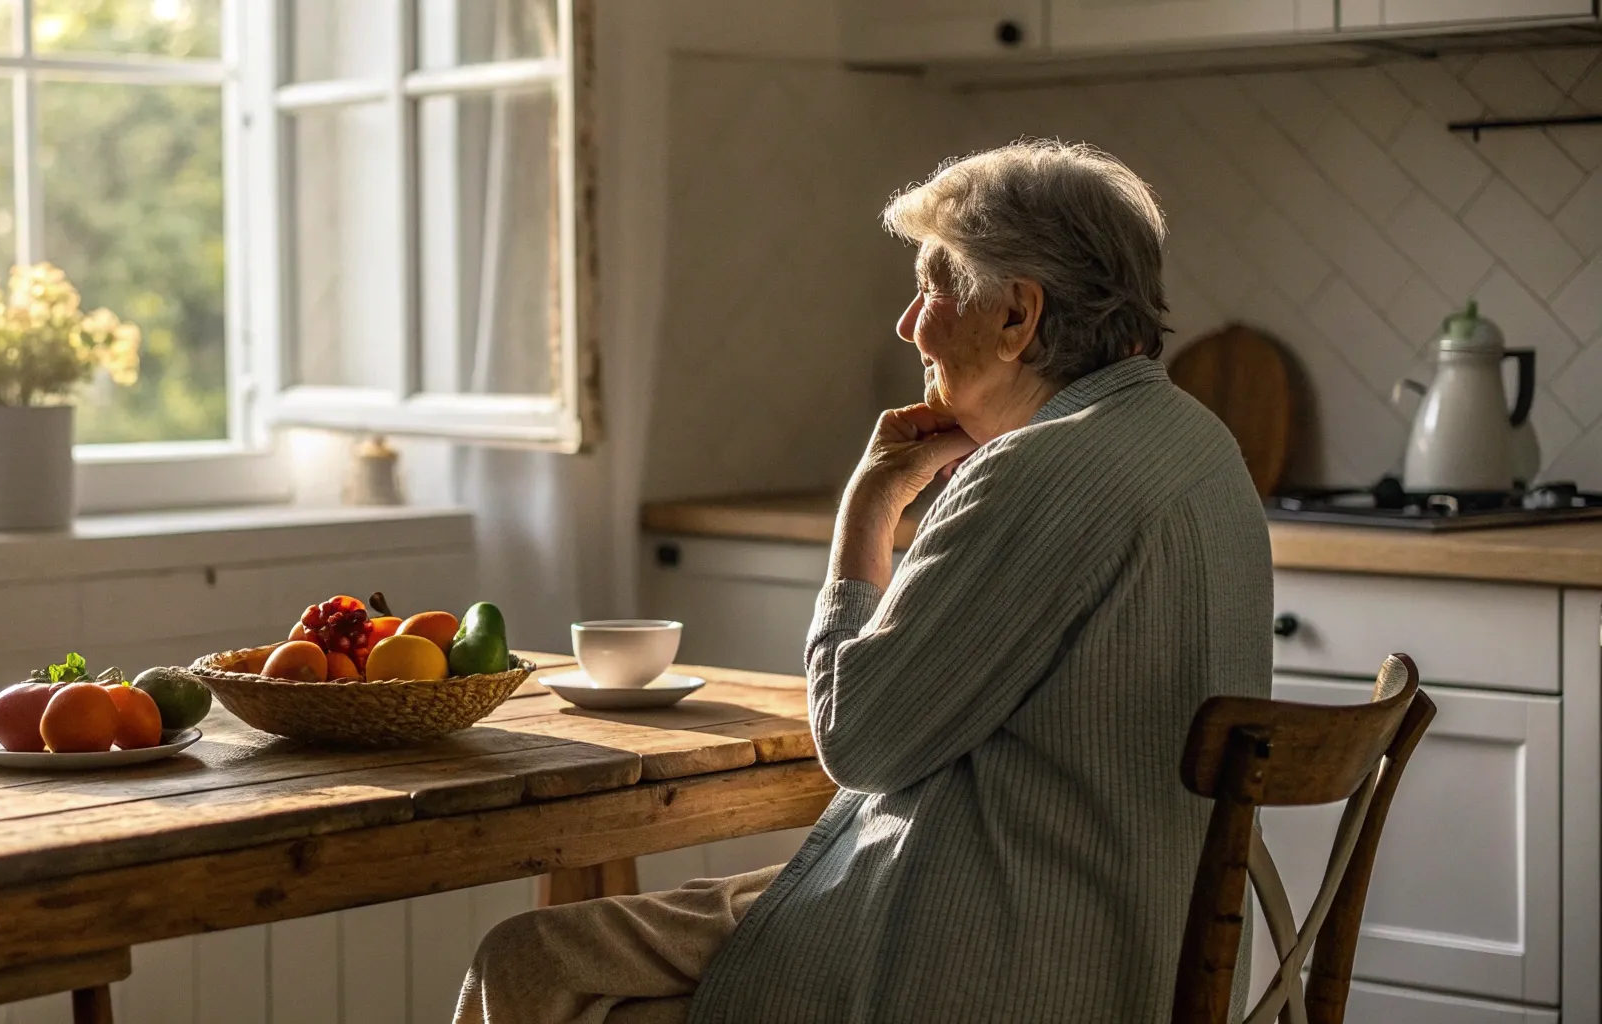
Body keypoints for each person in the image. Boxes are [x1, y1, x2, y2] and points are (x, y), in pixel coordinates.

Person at [454, 139, 1273, 1024]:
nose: (909, 324)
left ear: (1017, 317)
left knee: (528, 961)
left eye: (932, 287)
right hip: (1128, 934)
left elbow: (861, 742)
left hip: (994, 947)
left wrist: (869, 507)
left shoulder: (1039, 471)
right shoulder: (1200, 443)